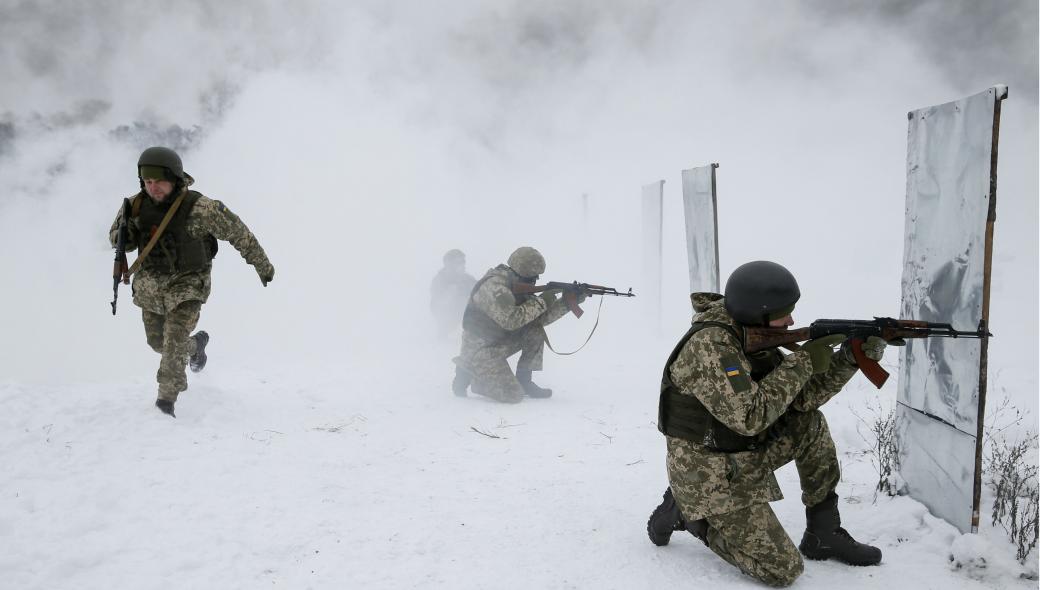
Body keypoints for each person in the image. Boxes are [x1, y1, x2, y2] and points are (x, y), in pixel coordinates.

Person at [646, 260, 887, 587]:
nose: (791, 320)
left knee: (809, 425)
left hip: (739, 451)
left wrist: (851, 358)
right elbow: (750, 416)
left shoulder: (751, 334)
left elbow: (801, 398)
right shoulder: (710, 346)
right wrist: (804, 360)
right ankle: (691, 516)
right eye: (783, 312)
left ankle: (824, 532)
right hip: (706, 469)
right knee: (783, 570)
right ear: (755, 312)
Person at [109, 146, 275, 418]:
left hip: (188, 283)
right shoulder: (134, 206)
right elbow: (116, 240)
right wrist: (126, 233)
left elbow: (239, 233)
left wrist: (262, 264)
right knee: (158, 343)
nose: (153, 188)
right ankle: (196, 347)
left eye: (159, 182)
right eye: (147, 182)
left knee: (173, 343)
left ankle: (165, 405)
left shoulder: (200, 208)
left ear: (174, 177)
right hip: (151, 286)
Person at [451, 246, 583, 403]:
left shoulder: (516, 284)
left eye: (536, 278)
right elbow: (511, 320)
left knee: (535, 330)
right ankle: (469, 371)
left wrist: (567, 303)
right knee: (512, 395)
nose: (534, 282)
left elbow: (536, 319)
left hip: (497, 343)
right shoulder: (494, 287)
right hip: (479, 351)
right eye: (531, 278)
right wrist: (542, 301)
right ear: (521, 273)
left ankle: (524, 381)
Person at [430, 249, 476, 337]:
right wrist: (453, 291)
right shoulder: (439, 280)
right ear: (450, 265)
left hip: (465, 313)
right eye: (459, 262)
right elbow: (437, 303)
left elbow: (479, 288)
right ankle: (443, 331)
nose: (463, 265)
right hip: (448, 314)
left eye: (463, 262)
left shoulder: (467, 278)